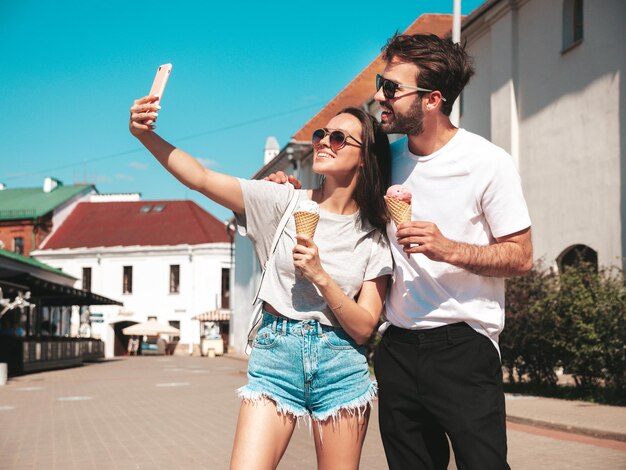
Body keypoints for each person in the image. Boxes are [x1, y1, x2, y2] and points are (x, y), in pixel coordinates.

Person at [269, 33, 533, 470]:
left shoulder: (488, 162)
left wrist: (447, 248)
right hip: (396, 348)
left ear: (432, 100)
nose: (379, 96)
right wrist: (290, 190)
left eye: (391, 88)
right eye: (380, 82)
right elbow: (336, 191)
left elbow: (521, 256)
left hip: (464, 346)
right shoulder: (387, 159)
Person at [129, 95, 393, 469]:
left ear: (365, 156)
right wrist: (145, 136)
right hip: (275, 356)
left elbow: (365, 327)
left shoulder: (373, 235)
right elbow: (201, 179)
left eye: (338, 138)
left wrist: (320, 276)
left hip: (340, 365)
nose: (323, 142)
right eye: (321, 134)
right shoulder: (281, 201)